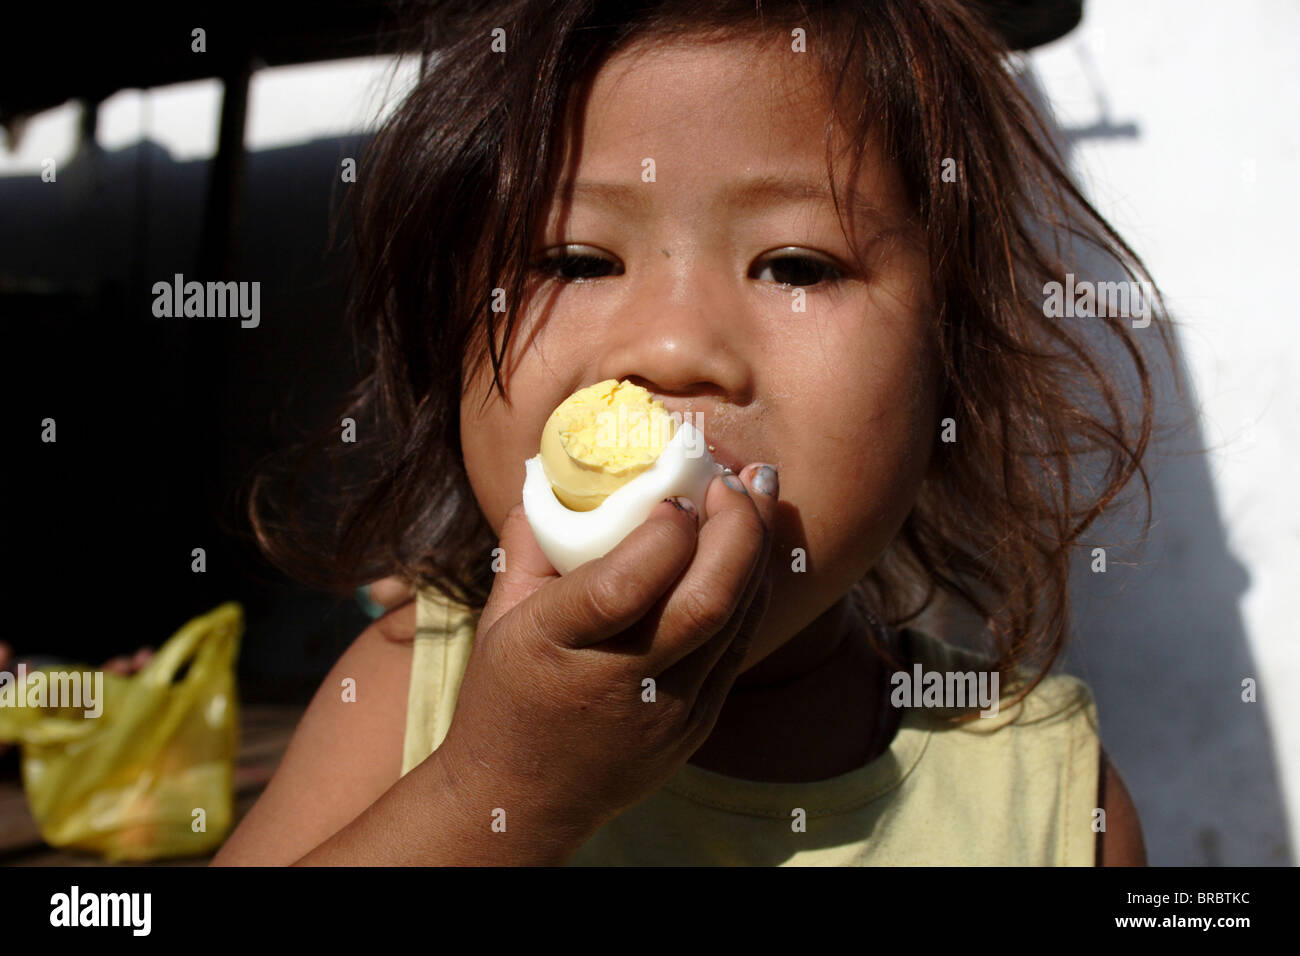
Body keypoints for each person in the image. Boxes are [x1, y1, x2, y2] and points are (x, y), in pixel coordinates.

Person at [213, 0, 1168, 866]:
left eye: (795, 266)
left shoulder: (1051, 799)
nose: (672, 348)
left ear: (948, 362)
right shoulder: (408, 694)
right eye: (577, 261)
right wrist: (501, 793)